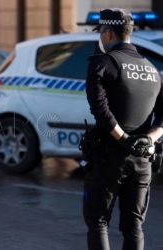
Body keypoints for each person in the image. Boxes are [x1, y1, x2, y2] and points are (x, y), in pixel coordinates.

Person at [83, 8, 163, 250]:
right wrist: (146, 140)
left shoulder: (102, 63)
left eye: (101, 32)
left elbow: (101, 110)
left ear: (107, 33)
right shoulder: (153, 70)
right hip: (143, 160)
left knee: (98, 222)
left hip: (109, 156)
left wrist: (124, 139)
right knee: (133, 227)